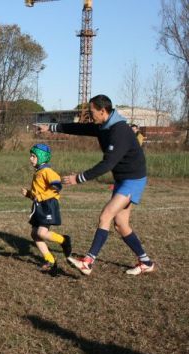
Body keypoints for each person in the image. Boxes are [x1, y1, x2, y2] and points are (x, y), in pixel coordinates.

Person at [37, 94, 154, 276]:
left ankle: (88, 261)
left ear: (102, 111)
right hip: (122, 179)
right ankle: (145, 262)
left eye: (92, 112)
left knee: (105, 216)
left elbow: (108, 164)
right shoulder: (103, 126)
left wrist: (80, 178)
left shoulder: (119, 131)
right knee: (121, 224)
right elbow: (78, 128)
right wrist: (51, 128)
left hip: (133, 180)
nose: (90, 115)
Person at [21, 144, 72, 276]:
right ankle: (50, 259)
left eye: (33, 156)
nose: (30, 158)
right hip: (39, 206)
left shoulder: (47, 171)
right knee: (34, 234)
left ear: (42, 157)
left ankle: (63, 240)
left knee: (42, 233)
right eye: (30, 155)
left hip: (48, 206)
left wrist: (48, 192)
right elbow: (38, 195)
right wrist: (28, 194)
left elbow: (56, 186)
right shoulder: (38, 172)